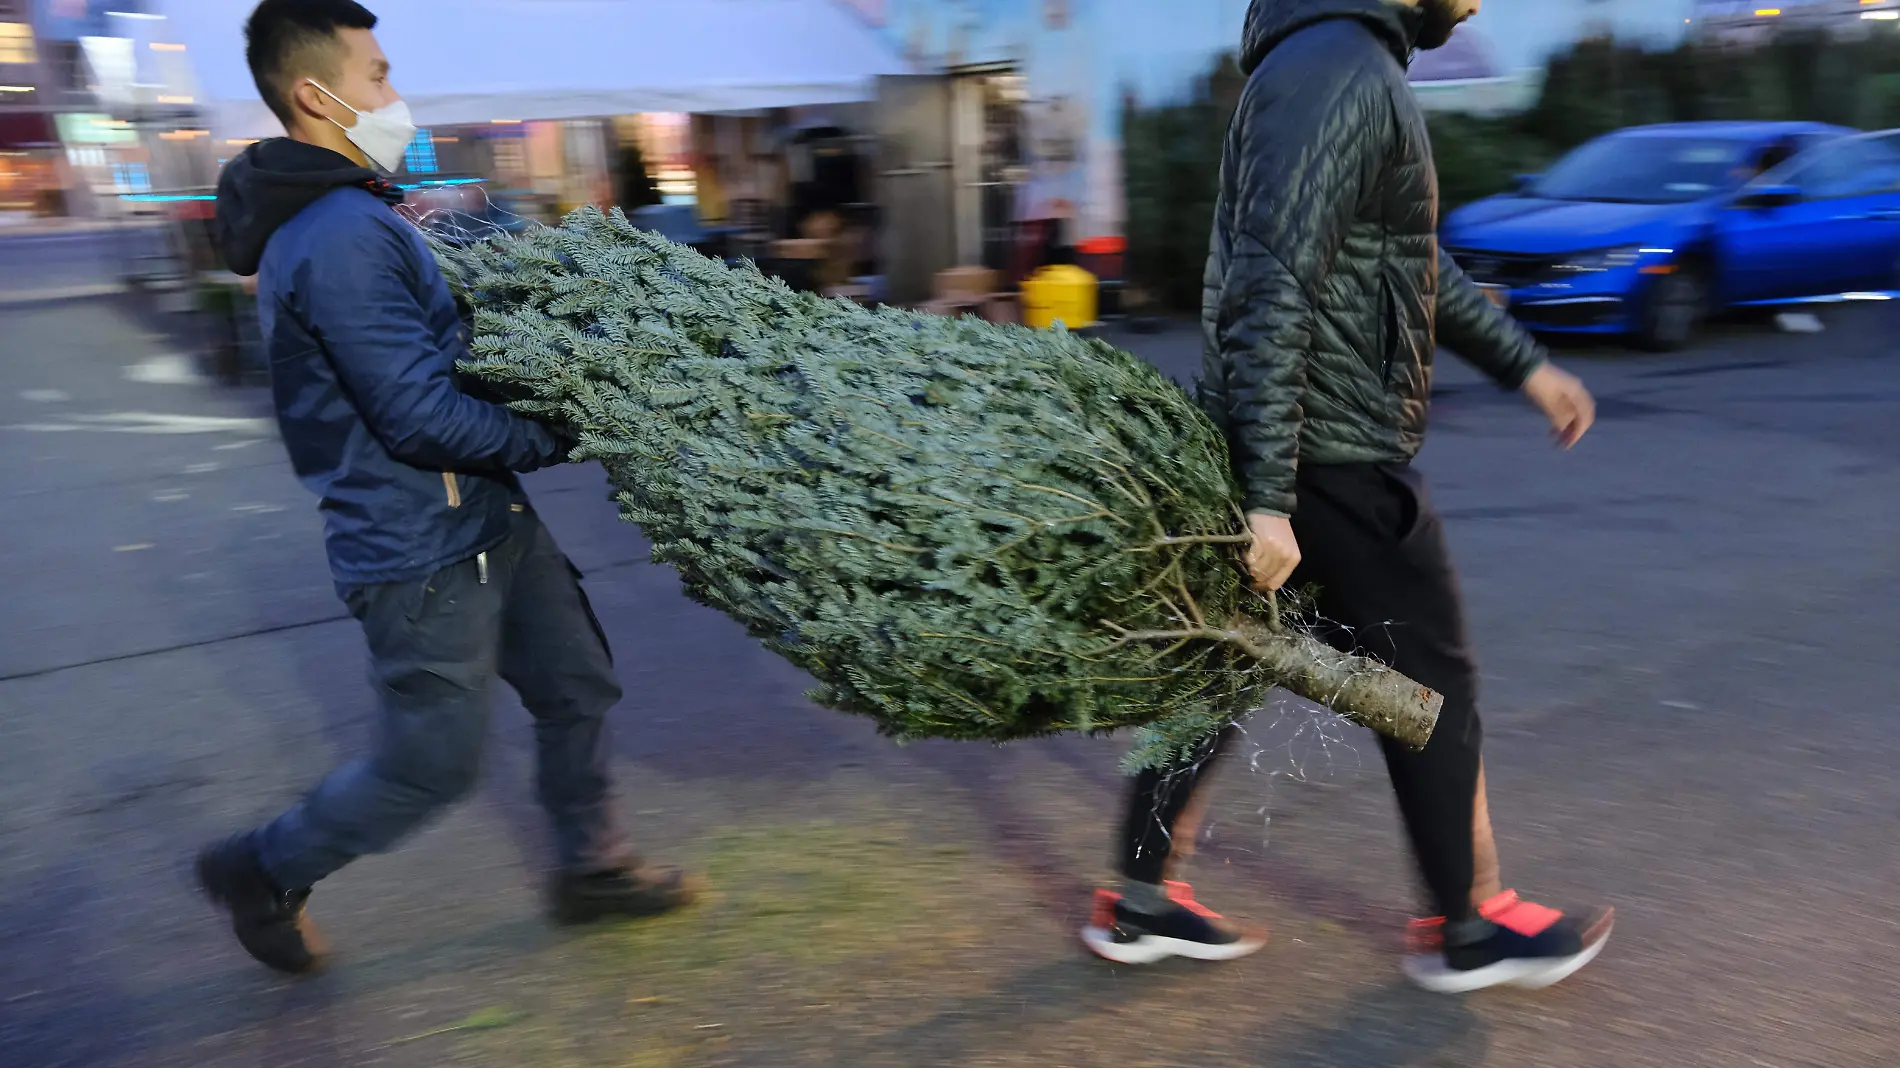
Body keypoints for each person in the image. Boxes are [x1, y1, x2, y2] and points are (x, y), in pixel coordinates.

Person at [1080, 0, 1614, 994]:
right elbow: (1273, 279)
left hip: (1305, 443)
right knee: (1432, 680)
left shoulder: (1337, 59)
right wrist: (1270, 496)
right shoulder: (1337, 67)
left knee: (1225, 662)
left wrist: (1525, 368)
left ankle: (1139, 898)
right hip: (1332, 453)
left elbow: (1407, 267)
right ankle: (1468, 924)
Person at [196, 0, 695, 975]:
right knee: (429, 767)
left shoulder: (358, 212)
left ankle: (591, 867)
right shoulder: (337, 234)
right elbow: (416, 416)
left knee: (575, 686)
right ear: (315, 94)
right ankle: (263, 869)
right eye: (376, 75)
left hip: (483, 518)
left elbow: (431, 357)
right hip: (420, 552)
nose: (395, 93)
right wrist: (565, 430)